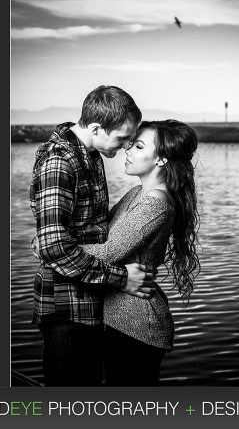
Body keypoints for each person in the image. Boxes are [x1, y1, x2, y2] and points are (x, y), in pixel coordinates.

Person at [30, 85, 154, 386]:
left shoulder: (91, 154)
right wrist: (121, 278)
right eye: (123, 138)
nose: (126, 146)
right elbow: (55, 247)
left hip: (87, 301)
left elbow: (86, 230)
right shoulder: (60, 162)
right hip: (65, 308)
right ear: (97, 128)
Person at [79, 120, 201, 385]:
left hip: (137, 324)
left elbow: (107, 251)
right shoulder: (137, 193)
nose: (128, 150)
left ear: (160, 160)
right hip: (120, 319)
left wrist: (53, 249)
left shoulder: (156, 204)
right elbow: (100, 235)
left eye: (138, 146)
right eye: (131, 144)